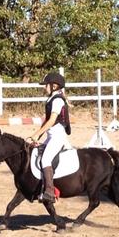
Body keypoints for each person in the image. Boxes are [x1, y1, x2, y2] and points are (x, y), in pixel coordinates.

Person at [28, 71, 71, 204]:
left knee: (45, 160)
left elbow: (52, 120)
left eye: (46, 85)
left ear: (54, 86)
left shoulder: (57, 100)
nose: (44, 87)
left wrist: (36, 134)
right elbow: (46, 121)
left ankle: (50, 192)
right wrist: (37, 136)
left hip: (57, 136)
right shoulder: (52, 98)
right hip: (51, 135)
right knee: (37, 154)